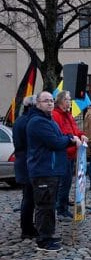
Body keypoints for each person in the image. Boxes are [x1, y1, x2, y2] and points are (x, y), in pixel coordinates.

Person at [27, 91, 82, 251]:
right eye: (46, 101)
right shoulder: (38, 122)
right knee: (44, 206)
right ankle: (43, 240)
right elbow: (55, 141)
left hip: (51, 169)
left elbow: (59, 137)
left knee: (49, 205)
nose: (50, 103)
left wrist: (69, 138)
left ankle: (48, 234)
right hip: (43, 170)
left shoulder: (48, 119)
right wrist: (70, 140)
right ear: (38, 103)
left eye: (51, 100)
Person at [51, 91, 87, 220]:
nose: (70, 101)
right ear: (61, 101)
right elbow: (61, 133)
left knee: (67, 183)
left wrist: (81, 134)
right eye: (67, 99)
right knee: (63, 183)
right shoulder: (56, 115)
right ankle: (61, 209)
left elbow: (74, 129)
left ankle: (63, 207)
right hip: (64, 154)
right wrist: (73, 138)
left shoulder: (68, 115)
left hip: (72, 153)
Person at [13, 95, 37, 239]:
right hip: (28, 162)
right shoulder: (29, 121)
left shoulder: (20, 120)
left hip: (22, 161)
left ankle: (27, 227)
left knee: (27, 198)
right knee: (29, 199)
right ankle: (27, 228)